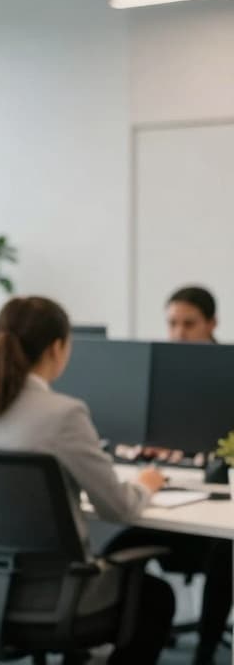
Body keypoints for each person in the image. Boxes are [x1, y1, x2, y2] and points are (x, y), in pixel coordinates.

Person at [0, 296, 175, 663]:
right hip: (59, 593)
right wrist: (145, 484)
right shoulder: (64, 414)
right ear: (58, 347)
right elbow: (117, 507)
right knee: (156, 598)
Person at [104, 285, 230, 665]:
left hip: (214, 508)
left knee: (227, 555)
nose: (178, 333)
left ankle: (205, 654)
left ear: (212, 324)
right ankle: (123, 641)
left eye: (188, 324)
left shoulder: (227, 374)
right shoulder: (159, 372)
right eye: (172, 323)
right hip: (166, 501)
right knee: (114, 550)